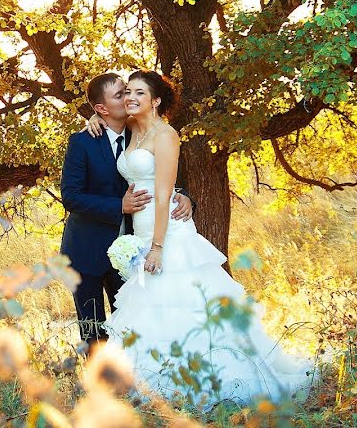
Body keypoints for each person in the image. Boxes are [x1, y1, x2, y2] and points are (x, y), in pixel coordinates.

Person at [88, 70, 311, 406]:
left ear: (156, 100)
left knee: (183, 304)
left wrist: (158, 247)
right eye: (127, 92)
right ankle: (159, 382)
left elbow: (163, 195)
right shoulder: (133, 127)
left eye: (139, 93)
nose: (130, 98)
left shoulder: (165, 136)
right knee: (153, 310)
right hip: (141, 230)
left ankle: (205, 382)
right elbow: (109, 114)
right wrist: (92, 117)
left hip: (168, 233)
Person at [60, 73, 193, 346]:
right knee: (93, 329)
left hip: (132, 249)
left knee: (134, 324)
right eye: (121, 95)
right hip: (88, 249)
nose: (129, 97)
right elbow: (71, 197)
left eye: (130, 91)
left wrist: (185, 196)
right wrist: (117, 206)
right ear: (101, 109)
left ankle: (135, 381)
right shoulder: (83, 141)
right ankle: (98, 385)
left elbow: (160, 174)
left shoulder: (140, 131)